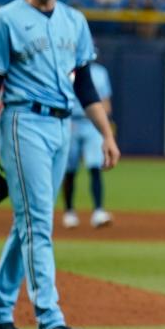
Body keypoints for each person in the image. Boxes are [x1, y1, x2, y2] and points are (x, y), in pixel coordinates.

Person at [0, 0, 120, 329]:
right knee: (38, 224)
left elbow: (85, 84)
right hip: (23, 122)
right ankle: (50, 321)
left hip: (61, 126)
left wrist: (106, 134)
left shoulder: (74, 20)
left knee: (29, 225)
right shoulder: (6, 20)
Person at [62, 62, 114, 229]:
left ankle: (98, 211)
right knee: (70, 170)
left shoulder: (100, 72)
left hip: (92, 125)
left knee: (95, 166)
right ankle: (69, 212)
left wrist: (105, 126)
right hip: (71, 122)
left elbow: (106, 103)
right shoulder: (66, 69)